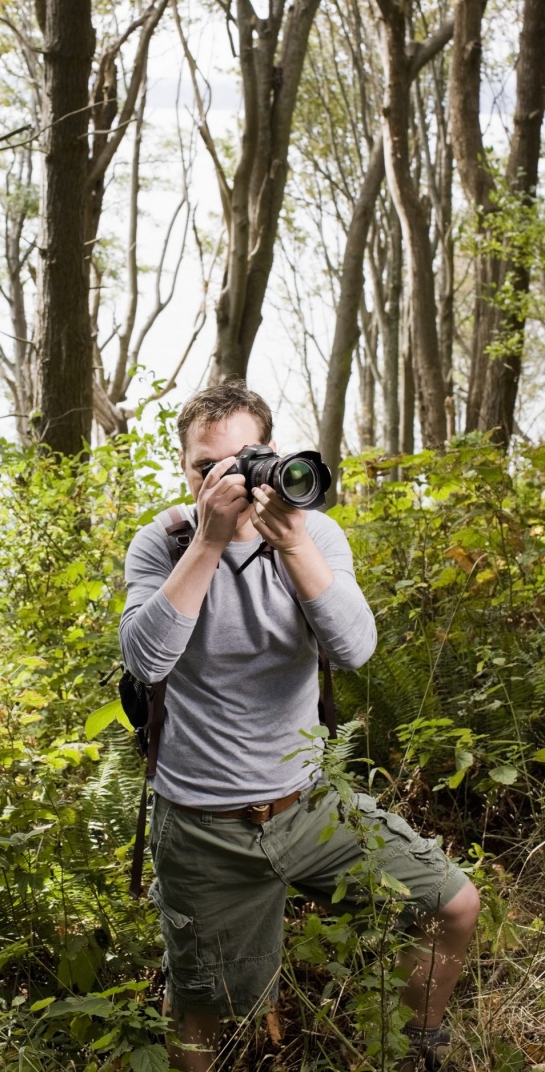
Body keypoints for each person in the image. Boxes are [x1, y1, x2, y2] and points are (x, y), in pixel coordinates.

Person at [119, 382, 480, 1072]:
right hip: (203, 824)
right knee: (202, 1009)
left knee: (455, 904)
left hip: (306, 803)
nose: (227, 477)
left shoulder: (313, 531)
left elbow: (354, 648)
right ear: (184, 472)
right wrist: (209, 541)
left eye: (245, 457)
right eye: (206, 467)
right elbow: (146, 657)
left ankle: (418, 1052)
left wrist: (291, 543)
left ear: (273, 456)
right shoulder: (162, 543)